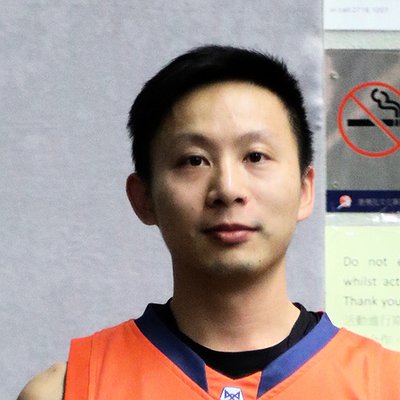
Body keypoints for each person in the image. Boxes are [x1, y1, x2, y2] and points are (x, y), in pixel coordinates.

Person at [18, 45, 400, 400]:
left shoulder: (387, 385)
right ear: (143, 198)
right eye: (194, 160)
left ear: (305, 189)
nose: (228, 189)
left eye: (255, 156)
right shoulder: (66, 390)